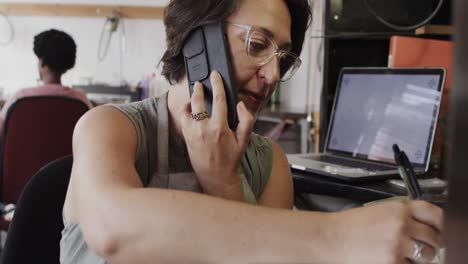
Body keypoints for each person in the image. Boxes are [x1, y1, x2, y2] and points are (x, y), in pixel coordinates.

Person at [61, 0, 444, 263]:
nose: (273, 75)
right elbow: (112, 228)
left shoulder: (269, 162)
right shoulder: (110, 128)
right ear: (198, 41)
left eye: (283, 58)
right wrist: (337, 236)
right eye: (258, 44)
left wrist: (224, 183)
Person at [0, 29, 92, 134]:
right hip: (70, 151)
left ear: (42, 62)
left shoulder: (20, 97)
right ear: (67, 66)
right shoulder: (80, 99)